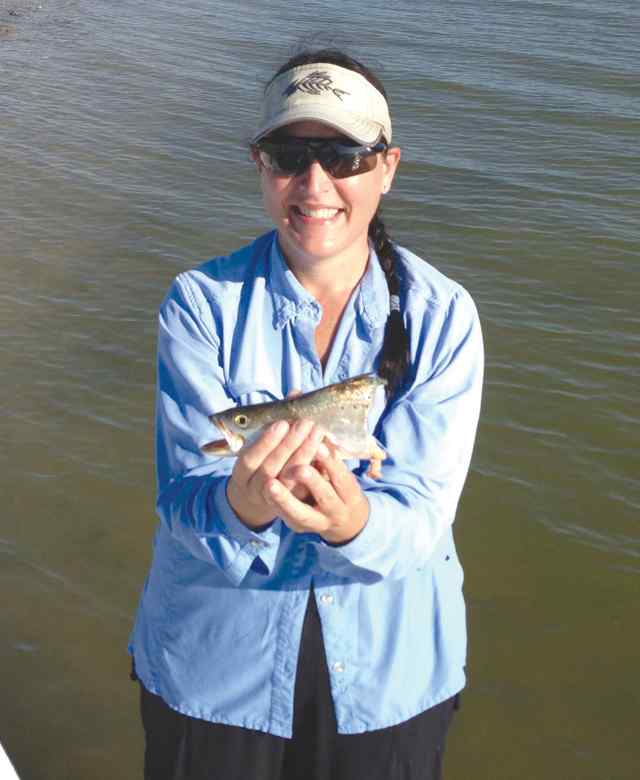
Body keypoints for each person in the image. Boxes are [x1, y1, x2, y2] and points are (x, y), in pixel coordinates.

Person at [129, 48, 484, 780]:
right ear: (259, 164)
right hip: (215, 672)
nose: (315, 183)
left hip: (391, 678)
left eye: (345, 155)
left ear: (387, 166)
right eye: (290, 154)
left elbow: (422, 512)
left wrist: (352, 521)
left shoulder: (443, 315)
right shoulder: (200, 303)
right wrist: (243, 505)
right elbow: (184, 494)